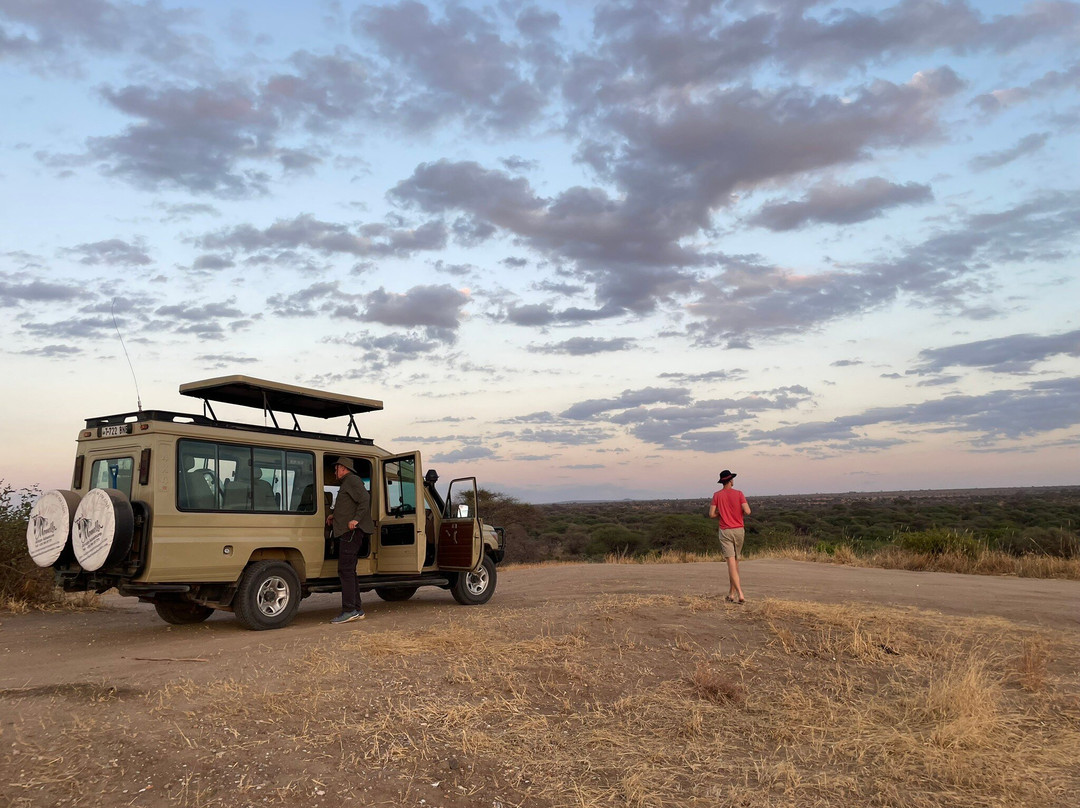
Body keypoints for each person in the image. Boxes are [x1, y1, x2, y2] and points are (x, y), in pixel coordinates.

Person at [327, 458, 376, 624]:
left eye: (336, 469)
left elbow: (365, 500)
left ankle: (349, 610)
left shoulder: (353, 480)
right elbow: (348, 505)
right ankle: (357, 609)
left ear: (343, 468)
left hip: (352, 532)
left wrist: (355, 520)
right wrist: (334, 515)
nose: (334, 472)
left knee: (345, 570)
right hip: (348, 531)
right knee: (349, 571)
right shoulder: (347, 483)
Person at [709, 469, 751, 604]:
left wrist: (721, 514)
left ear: (722, 482)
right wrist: (738, 514)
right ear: (731, 480)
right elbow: (748, 511)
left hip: (725, 531)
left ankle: (740, 593)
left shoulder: (717, 495)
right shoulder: (739, 494)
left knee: (731, 564)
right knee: (735, 563)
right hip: (739, 530)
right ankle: (731, 594)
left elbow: (711, 514)